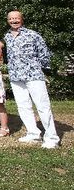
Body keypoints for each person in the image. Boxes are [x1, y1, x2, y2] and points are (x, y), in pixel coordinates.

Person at [5, 11, 59, 148]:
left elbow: (44, 54)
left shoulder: (32, 34)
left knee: (42, 106)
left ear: (21, 20)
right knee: (23, 106)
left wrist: (40, 68)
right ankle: (33, 133)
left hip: (33, 75)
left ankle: (52, 138)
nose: (14, 21)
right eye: (11, 19)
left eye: (16, 18)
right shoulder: (7, 36)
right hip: (16, 76)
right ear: (8, 21)